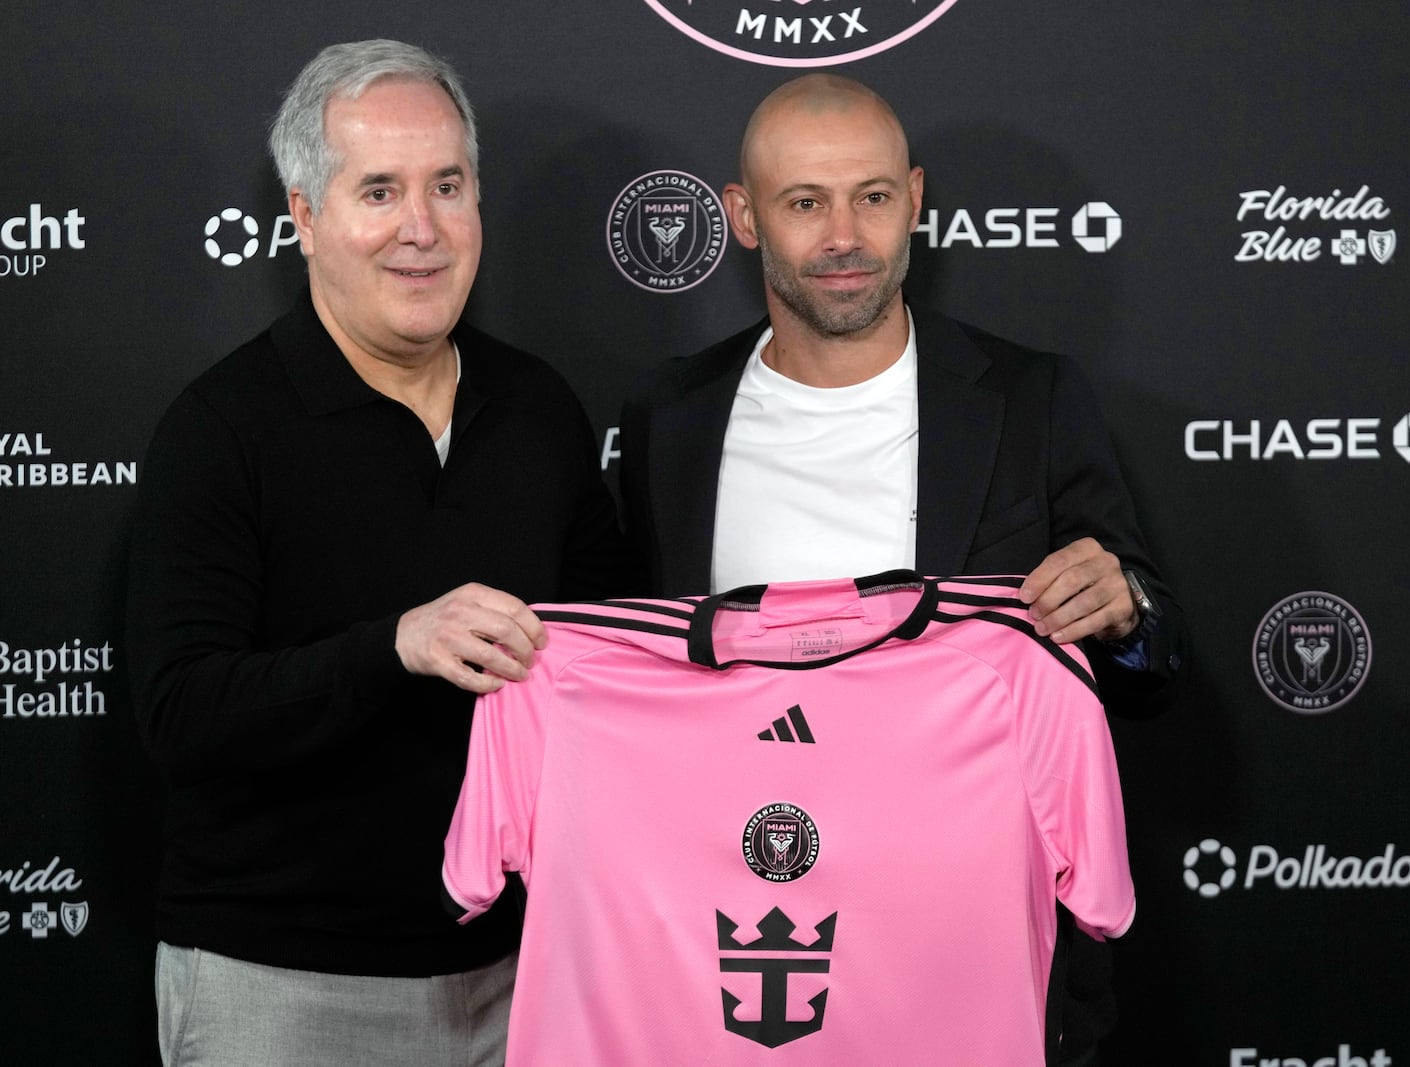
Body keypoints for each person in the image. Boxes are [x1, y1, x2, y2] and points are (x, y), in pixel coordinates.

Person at [620, 73, 1185, 1065]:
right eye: (805, 203)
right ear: (743, 218)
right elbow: (633, 679)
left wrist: (1124, 610)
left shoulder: (1031, 396)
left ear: (916, 199)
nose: (846, 234)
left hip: (974, 951)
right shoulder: (673, 414)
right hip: (745, 956)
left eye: (873, 197)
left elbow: (1153, 660)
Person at [125, 40, 628, 1066]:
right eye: (380, 191)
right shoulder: (220, 428)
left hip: (519, 971)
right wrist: (392, 645)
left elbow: (607, 660)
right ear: (306, 216)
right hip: (282, 986)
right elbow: (181, 714)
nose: (422, 229)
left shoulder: (538, 407)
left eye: (448, 185)